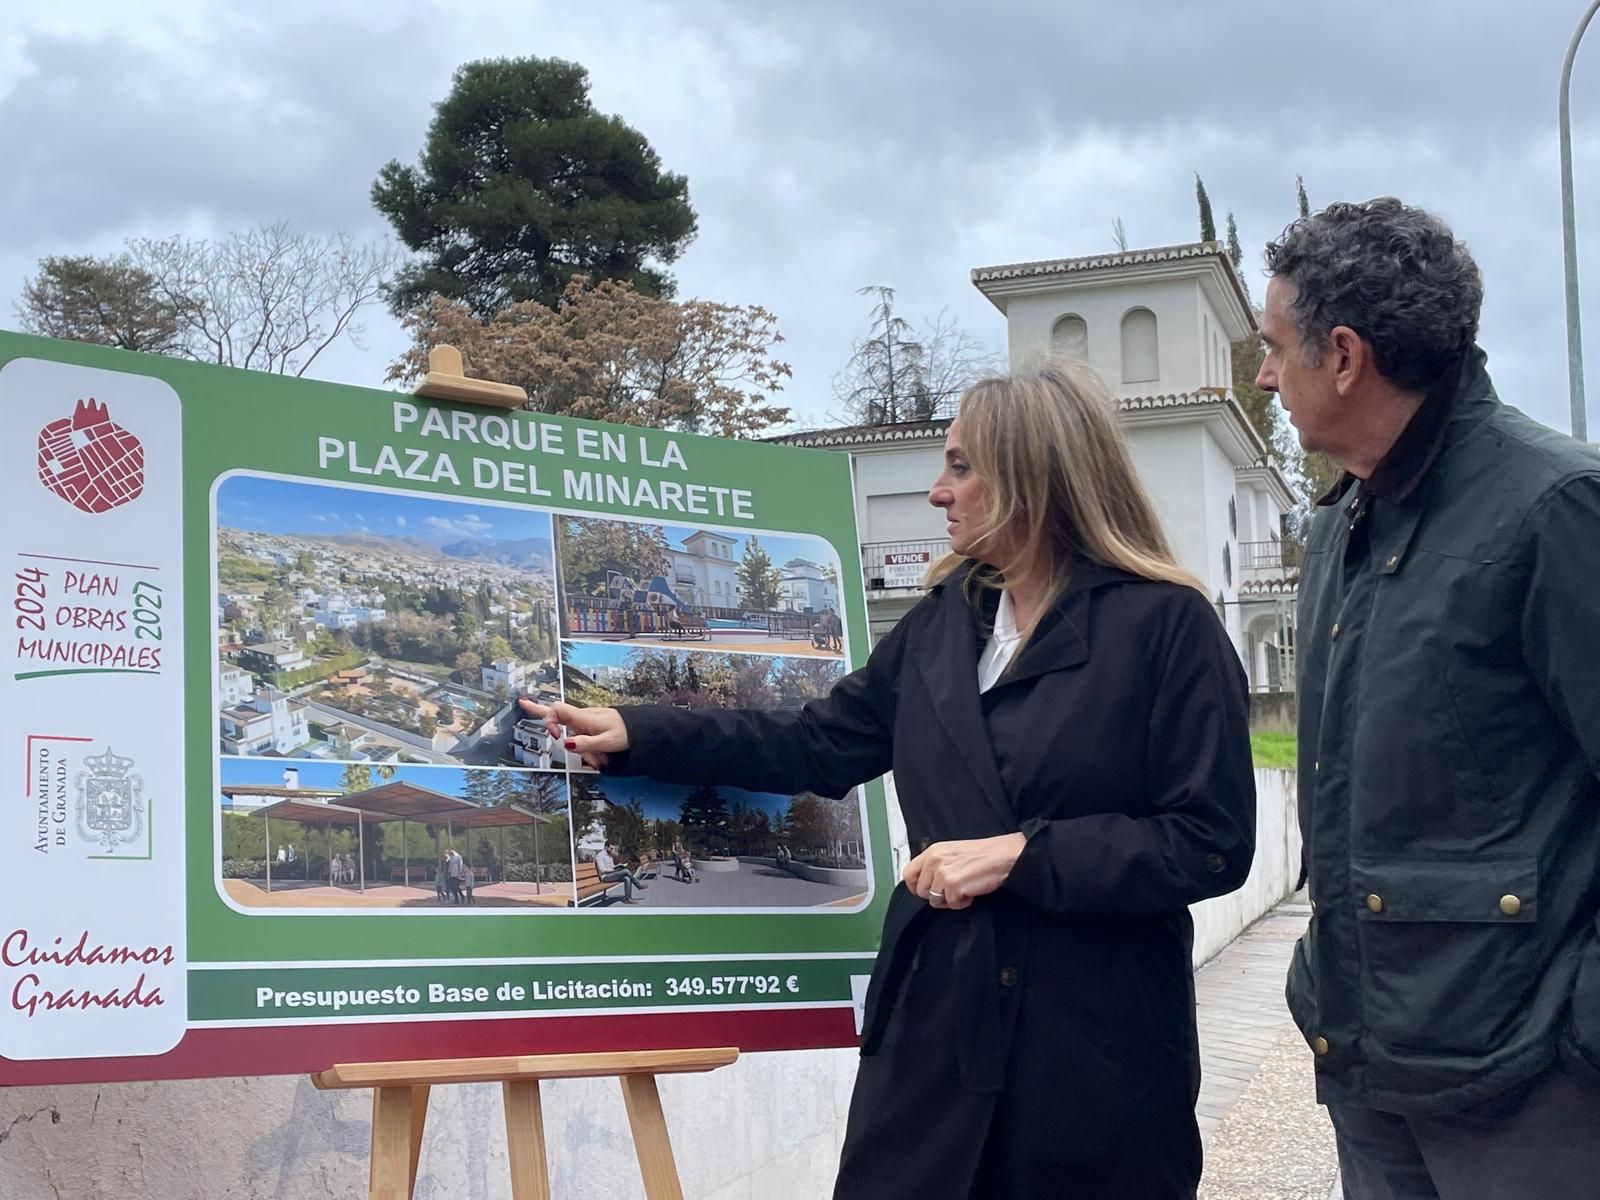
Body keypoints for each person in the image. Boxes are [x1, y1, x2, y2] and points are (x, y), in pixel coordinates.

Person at [522, 362, 1255, 1198]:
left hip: (1091, 1045)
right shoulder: (942, 625)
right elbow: (815, 745)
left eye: (961, 466)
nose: (938, 493)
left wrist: (1024, 855)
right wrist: (641, 731)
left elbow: (1211, 842)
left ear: (1036, 477)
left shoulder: (1167, 627)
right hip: (935, 1023)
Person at [1254, 197, 1600, 1198]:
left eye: (1277, 348)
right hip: (1370, 1069)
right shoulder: (1339, 526)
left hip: (1530, 1095)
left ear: (1347, 356)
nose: (1267, 376)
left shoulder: (1554, 507)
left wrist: (1581, 1035)